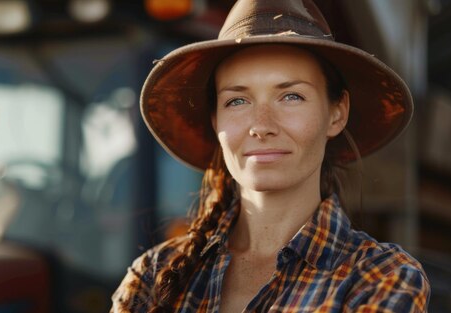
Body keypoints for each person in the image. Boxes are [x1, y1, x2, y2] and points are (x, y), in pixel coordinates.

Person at [112, 0, 430, 312]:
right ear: (215, 120)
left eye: (291, 96)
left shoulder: (380, 276)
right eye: (237, 101)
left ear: (336, 114)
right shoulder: (154, 274)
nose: (261, 126)